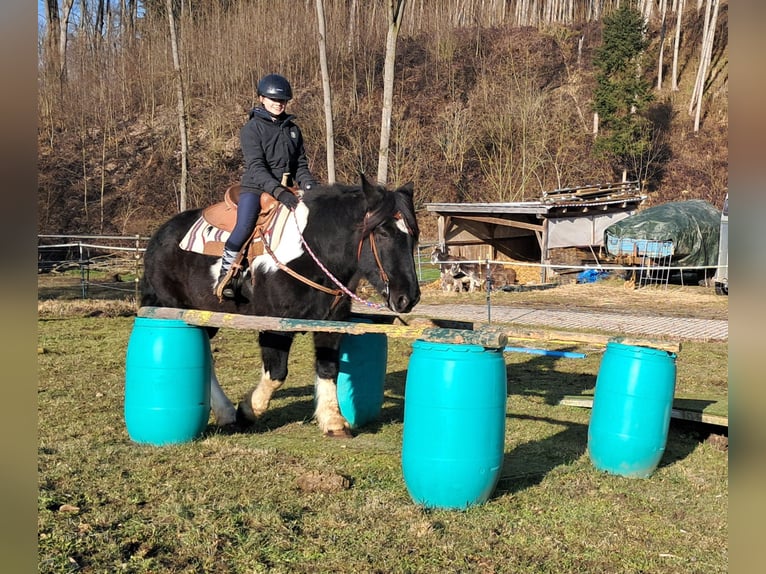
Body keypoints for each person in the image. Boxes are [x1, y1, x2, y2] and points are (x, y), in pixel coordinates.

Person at [215, 73, 318, 299]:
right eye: (273, 99)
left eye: (282, 101)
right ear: (262, 98)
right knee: (244, 226)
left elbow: (300, 164)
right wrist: (279, 192)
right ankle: (226, 275)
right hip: (256, 188)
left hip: (287, 189)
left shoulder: (293, 130)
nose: (278, 104)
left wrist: (312, 188)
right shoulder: (251, 129)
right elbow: (256, 167)